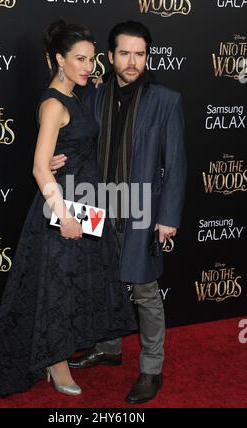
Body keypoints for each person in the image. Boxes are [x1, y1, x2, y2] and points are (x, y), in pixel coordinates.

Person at [0, 20, 136, 398]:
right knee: (58, 289)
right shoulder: (52, 104)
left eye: (92, 59)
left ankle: (59, 354)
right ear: (59, 59)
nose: (88, 66)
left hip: (87, 201)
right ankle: (56, 362)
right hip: (62, 207)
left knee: (72, 285)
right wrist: (63, 216)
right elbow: (39, 166)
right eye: (79, 59)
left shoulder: (76, 95)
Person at [51, 21, 187, 404]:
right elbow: (74, 135)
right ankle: (109, 347)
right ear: (109, 58)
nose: (132, 61)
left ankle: (151, 369)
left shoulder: (166, 99)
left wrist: (169, 216)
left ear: (147, 56)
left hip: (141, 207)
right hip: (95, 203)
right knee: (102, 281)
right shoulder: (93, 95)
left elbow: (175, 163)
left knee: (144, 291)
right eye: (124, 53)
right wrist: (56, 159)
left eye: (139, 54)